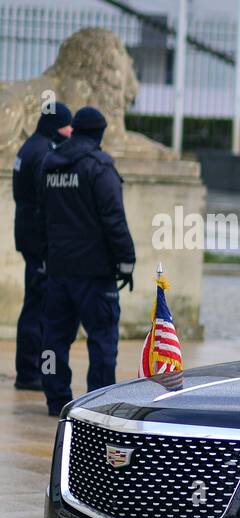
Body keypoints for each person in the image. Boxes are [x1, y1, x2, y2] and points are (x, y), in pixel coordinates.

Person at [37, 106, 134, 417]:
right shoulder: (99, 167)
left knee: (53, 339)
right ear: (100, 134)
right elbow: (114, 219)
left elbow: (41, 216)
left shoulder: (49, 166)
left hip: (59, 269)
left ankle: (55, 398)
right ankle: (100, 402)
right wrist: (126, 261)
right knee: (102, 339)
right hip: (94, 272)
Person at [11, 101, 71, 391]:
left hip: (26, 234)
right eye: (66, 124)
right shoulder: (43, 152)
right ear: (55, 125)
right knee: (39, 307)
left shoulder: (28, 147)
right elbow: (45, 200)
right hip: (37, 239)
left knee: (33, 302)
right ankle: (31, 372)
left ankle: (28, 370)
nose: (70, 130)